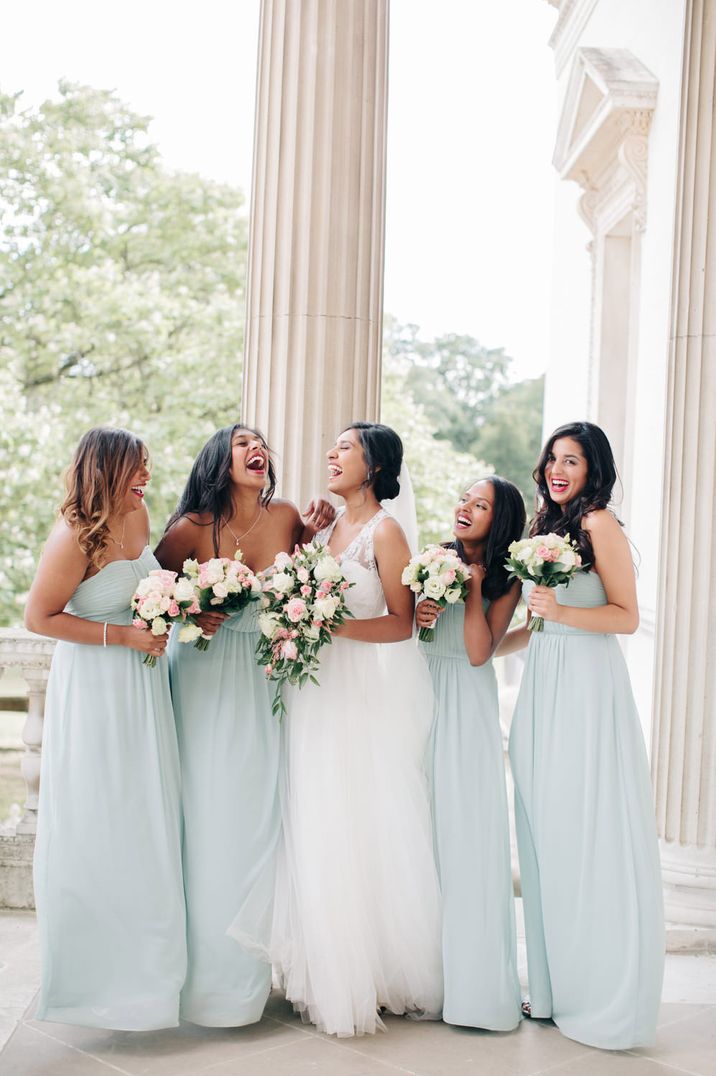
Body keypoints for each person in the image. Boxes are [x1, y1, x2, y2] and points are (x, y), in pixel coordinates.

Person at [231, 423, 443, 1037]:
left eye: (345, 448)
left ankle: (360, 975)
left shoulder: (387, 531)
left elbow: (402, 624)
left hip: (354, 692)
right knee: (310, 815)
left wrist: (330, 629)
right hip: (308, 691)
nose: (331, 454)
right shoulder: (324, 527)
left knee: (352, 817)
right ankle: (317, 964)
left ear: (373, 465)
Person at [155, 423, 333, 1027]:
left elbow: (313, 579)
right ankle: (197, 982)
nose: (257, 451)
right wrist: (191, 612)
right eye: (242, 444)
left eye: (262, 445)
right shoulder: (190, 527)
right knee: (203, 818)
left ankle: (244, 983)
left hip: (263, 679)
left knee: (257, 817)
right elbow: (148, 596)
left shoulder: (285, 517)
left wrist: (322, 524)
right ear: (218, 459)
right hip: (203, 678)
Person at [505, 420, 664, 1049]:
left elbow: (624, 616)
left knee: (583, 830)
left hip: (587, 691)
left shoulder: (599, 525)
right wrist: (489, 645)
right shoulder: (545, 530)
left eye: (571, 460)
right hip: (543, 682)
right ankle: (549, 989)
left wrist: (561, 611)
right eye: (551, 459)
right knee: (545, 833)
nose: (556, 470)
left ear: (594, 468)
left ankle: (600, 993)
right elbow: (537, 624)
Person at [25, 426, 185, 1030]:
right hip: (93, 689)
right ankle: (92, 981)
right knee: (100, 818)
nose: (146, 477)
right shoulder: (74, 534)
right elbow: (38, 616)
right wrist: (123, 635)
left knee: (147, 820)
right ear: (108, 469)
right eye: (137, 468)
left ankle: (151, 984)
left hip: (143, 689)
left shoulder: (141, 518)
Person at [416, 477, 525, 1031]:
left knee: (465, 830)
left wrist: (475, 590)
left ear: (498, 520)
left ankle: (473, 984)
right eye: (464, 499)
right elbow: (409, 629)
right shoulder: (432, 558)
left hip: (466, 700)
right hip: (421, 694)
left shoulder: (507, 582)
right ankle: (420, 976)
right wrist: (423, 612)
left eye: (480, 505)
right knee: (421, 827)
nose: (465, 508)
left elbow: (482, 653)